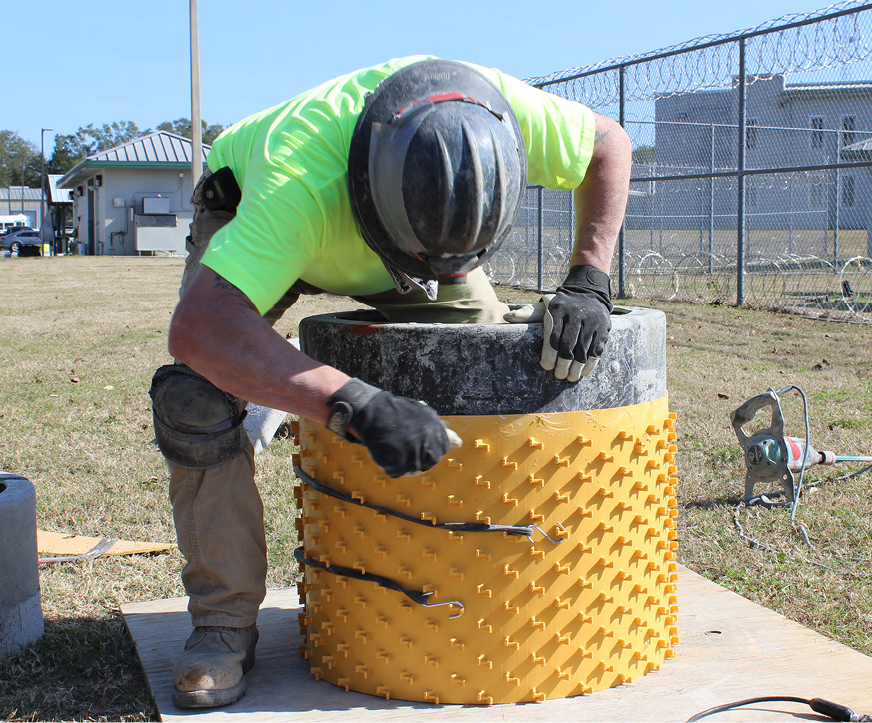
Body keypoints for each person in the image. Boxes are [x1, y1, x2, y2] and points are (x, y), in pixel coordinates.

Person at [150, 56, 631, 709]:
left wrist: (590, 277)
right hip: (252, 213)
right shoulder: (298, 187)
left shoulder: (497, 113)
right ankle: (222, 626)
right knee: (194, 397)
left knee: (483, 365)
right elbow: (202, 327)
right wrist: (348, 400)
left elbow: (609, 144)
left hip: (400, 230)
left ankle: (481, 571)